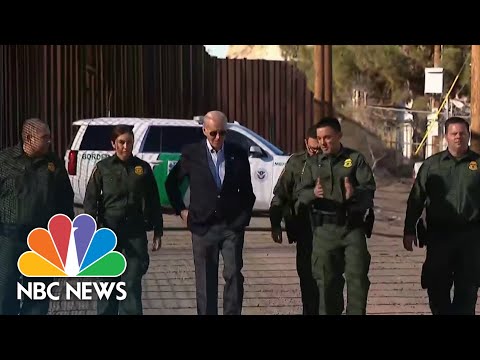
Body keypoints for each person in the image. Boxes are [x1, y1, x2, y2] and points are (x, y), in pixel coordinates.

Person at [165, 110, 256, 315]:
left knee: (233, 275)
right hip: (202, 227)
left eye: (222, 133)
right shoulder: (192, 153)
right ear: (205, 130)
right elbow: (171, 184)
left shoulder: (238, 153)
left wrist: (242, 220)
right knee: (206, 280)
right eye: (213, 133)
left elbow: (248, 192)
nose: (218, 138)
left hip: (231, 227)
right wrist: (181, 211)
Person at [295, 117, 376, 315]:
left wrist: (353, 194)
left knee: (357, 280)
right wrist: (312, 194)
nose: (323, 142)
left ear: (339, 136)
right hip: (324, 231)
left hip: (352, 228)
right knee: (327, 284)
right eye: (320, 138)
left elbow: (369, 190)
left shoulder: (355, 160)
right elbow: (299, 194)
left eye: (328, 137)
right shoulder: (313, 164)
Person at [403, 116, 480, 315]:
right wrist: (409, 230)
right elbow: (416, 198)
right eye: (454, 133)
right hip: (439, 238)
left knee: (468, 291)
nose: (458, 137)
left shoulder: (478, 165)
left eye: (462, 133)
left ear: (468, 135)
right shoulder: (431, 166)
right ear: (446, 136)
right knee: (437, 290)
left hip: (470, 238)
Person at [83, 125, 163, 315]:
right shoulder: (102, 168)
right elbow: (90, 201)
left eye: (129, 143)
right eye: (121, 142)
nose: (125, 147)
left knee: (131, 284)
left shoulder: (142, 168)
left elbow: (153, 200)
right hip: (107, 232)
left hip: (135, 232)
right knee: (107, 285)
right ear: (113, 143)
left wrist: (158, 231)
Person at [0, 118, 74, 315]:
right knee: (5, 291)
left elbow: (65, 198)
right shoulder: (5, 160)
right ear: (29, 138)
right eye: (45, 137)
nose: (50, 141)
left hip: (42, 239)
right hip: (9, 238)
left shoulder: (53, 163)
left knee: (38, 294)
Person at [269, 124, 321, 315]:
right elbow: (280, 195)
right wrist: (275, 224)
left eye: (319, 149)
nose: (315, 152)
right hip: (304, 231)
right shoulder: (296, 163)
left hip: (329, 233)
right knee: (307, 282)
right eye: (311, 148)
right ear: (306, 143)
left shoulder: (333, 162)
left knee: (329, 285)